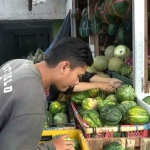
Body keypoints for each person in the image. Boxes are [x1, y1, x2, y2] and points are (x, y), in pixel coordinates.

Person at [0, 37, 94, 150]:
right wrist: (51, 146)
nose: (77, 82)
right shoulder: (33, 103)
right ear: (64, 67)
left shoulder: (18, 64)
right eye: (78, 76)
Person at [48, 71, 122, 101]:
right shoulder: (56, 75)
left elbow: (87, 76)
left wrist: (109, 81)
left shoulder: (74, 67)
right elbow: (70, 87)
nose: (76, 81)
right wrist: (99, 85)